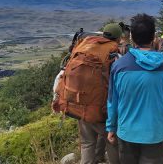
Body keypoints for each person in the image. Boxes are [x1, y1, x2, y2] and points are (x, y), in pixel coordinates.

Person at [106, 14, 163, 164]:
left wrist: (111, 127)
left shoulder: (118, 66)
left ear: (132, 38)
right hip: (154, 134)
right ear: (154, 37)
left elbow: (112, 101)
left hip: (126, 133)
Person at [52, 23, 123, 164]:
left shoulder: (86, 46)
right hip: (100, 109)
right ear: (118, 38)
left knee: (87, 143)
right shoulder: (114, 53)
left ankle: (95, 158)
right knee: (112, 141)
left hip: (77, 104)